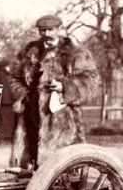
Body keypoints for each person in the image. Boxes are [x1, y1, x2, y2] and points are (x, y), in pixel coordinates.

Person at [8, 15, 99, 169]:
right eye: (42, 31)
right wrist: (22, 95)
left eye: (50, 30)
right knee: (29, 160)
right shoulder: (29, 52)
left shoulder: (74, 53)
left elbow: (90, 79)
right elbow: (14, 78)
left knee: (60, 165)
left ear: (59, 29)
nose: (46, 34)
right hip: (31, 113)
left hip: (60, 117)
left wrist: (65, 86)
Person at [0, 59, 15, 141]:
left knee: (0, 120)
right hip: (6, 102)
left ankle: (0, 136)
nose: (9, 68)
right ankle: (6, 136)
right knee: (6, 120)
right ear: (5, 67)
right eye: (8, 66)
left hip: (0, 102)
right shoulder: (6, 76)